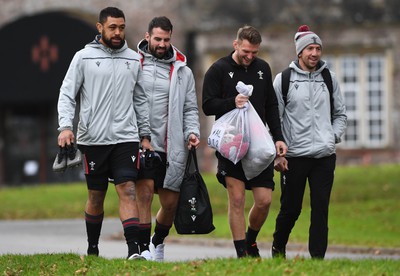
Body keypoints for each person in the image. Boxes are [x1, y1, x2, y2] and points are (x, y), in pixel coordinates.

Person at [56, 7, 152, 260]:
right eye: (112, 27)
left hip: (126, 138)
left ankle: (133, 252)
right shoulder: (83, 58)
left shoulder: (133, 59)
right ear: (100, 28)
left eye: (121, 27)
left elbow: (140, 100)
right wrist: (66, 127)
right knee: (96, 196)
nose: (118, 32)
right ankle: (93, 248)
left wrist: (145, 135)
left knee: (128, 189)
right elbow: (67, 94)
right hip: (93, 139)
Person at [202, 25, 288, 258]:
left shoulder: (262, 68)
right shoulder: (218, 69)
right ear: (236, 44)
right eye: (246, 52)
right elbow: (208, 105)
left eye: (255, 53)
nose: (250, 57)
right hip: (231, 144)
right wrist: (232, 102)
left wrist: (279, 138)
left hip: (259, 146)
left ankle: (250, 240)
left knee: (264, 200)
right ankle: (242, 254)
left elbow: (271, 105)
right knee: (237, 198)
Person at [271, 25, 347, 259]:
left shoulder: (329, 78)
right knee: (291, 209)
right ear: (300, 52)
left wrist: (331, 136)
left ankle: (317, 259)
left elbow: (341, 115)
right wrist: (278, 152)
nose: (315, 53)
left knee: (321, 210)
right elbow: (274, 120)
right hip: (294, 157)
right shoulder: (283, 80)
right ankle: (278, 247)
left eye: (318, 48)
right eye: (310, 49)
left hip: (324, 157)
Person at [135, 16, 200, 261]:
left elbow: (191, 109)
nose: (162, 44)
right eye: (157, 39)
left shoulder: (183, 71)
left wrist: (192, 132)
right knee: (145, 192)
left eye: (166, 39)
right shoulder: (134, 63)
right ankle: (141, 250)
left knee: (170, 203)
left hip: (171, 146)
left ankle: (156, 241)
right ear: (147, 36)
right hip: (142, 143)